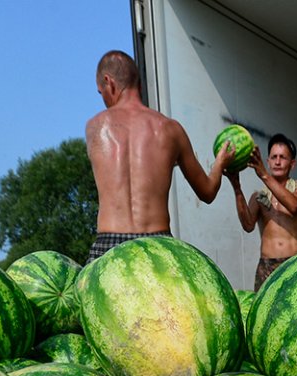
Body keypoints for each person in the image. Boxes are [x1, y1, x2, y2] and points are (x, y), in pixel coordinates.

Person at [84, 49, 235, 262]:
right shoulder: (171, 130)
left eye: (101, 93)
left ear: (109, 83)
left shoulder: (94, 127)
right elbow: (207, 192)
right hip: (159, 245)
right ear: (140, 86)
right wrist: (220, 163)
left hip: (108, 247)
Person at [226, 133, 297, 290]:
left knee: (295, 313)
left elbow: (293, 206)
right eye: (274, 157)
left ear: (292, 164)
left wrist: (263, 174)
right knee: (263, 314)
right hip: (266, 266)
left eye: (283, 157)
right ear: (268, 161)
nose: (277, 161)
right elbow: (248, 225)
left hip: (294, 263)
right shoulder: (259, 197)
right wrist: (236, 187)